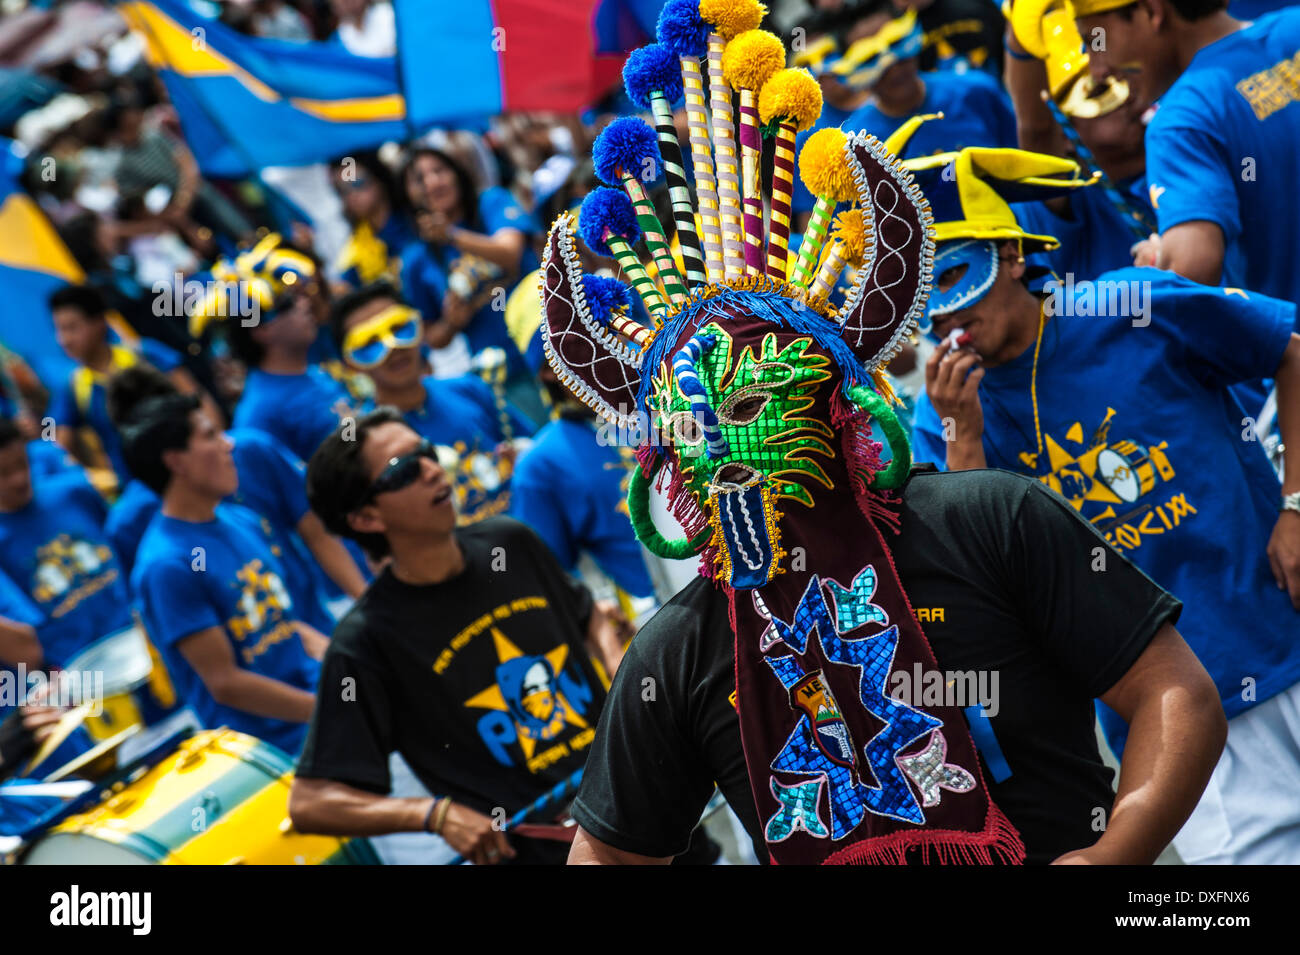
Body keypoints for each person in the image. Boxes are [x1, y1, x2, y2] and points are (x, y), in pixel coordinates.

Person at [524, 38, 1229, 865]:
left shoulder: (988, 519)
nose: (718, 442)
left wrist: (1113, 856)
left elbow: (1175, 692)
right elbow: (605, 858)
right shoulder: (678, 650)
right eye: (690, 422)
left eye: (749, 402)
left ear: (834, 398)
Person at [910, 146, 1300, 864]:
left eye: (959, 281)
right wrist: (964, 437)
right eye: (923, 308)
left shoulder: (1131, 307)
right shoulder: (939, 418)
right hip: (1175, 711)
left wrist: (1297, 504)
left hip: (1281, 623)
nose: (948, 318)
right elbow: (978, 599)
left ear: (1011, 254)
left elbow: (1289, 348)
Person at [288, 409, 632, 865]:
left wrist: (624, 683)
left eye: (426, 452)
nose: (433, 468)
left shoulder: (510, 543)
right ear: (367, 518)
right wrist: (434, 815)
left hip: (641, 813)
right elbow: (310, 801)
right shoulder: (365, 643)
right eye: (404, 469)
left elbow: (591, 617)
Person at [122, 393, 327, 757]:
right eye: (210, 436)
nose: (228, 444)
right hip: (271, 757)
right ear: (176, 461)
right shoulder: (166, 566)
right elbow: (226, 683)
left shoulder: (241, 520)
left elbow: (284, 626)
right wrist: (328, 712)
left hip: (319, 720)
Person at [1075, 0, 1300, 320]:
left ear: (1152, 11)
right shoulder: (1295, 27)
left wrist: (1162, 260)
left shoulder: (1182, 120)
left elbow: (1190, 270)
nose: (1098, 69)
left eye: (1097, 39)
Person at [104, 366, 366, 628]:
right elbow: (159, 615)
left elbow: (315, 530)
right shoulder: (136, 527)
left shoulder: (248, 465)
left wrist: (364, 605)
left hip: (312, 626)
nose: (226, 445)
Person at [792, 0, 1017, 220]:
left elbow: (1022, 167)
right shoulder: (849, 148)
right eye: (870, 57)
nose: (891, 63)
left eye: (896, 42)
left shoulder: (976, 91)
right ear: (849, 68)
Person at [331, 281, 534, 523]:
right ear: (350, 364)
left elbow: (530, 450)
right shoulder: (368, 445)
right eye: (369, 344)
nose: (392, 348)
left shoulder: (468, 388)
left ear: (419, 327)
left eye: (399, 328)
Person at [399, 146, 547, 421]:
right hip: (503, 372)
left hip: (553, 338)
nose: (432, 182)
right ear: (407, 194)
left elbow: (509, 254)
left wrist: (451, 235)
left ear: (457, 173)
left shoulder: (493, 202)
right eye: (419, 178)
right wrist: (452, 322)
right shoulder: (415, 260)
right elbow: (432, 337)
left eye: (439, 170)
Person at [46, 283, 218, 495]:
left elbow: (198, 398)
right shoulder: (73, 385)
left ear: (99, 322)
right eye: (59, 329)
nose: (64, 340)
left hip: (190, 471)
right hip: (139, 492)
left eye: (72, 328)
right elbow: (51, 433)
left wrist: (216, 443)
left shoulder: (145, 354)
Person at [0, 417, 134, 671]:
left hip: (136, 635)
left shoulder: (75, 492)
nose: (18, 479)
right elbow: (30, 638)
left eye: (22, 465)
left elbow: (126, 553)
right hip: (82, 670)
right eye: (4, 473)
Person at [225, 246, 358, 464]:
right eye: (287, 304)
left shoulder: (313, 370)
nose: (304, 304)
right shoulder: (258, 414)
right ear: (260, 330)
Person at [328, 151, 414, 290]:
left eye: (357, 183)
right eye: (342, 190)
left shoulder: (414, 223)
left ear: (379, 179)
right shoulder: (355, 247)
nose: (352, 195)